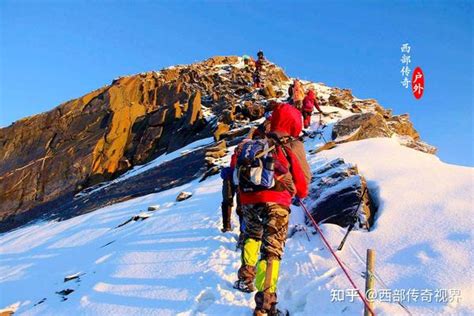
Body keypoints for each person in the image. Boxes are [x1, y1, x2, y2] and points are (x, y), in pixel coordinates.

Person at [234, 103, 311, 316]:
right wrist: (297, 192)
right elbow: (303, 181)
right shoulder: (292, 144)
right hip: (276, 201)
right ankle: (265, 305)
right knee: (271, 251)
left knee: (252, 237)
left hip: (248, 199)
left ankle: (246, 275)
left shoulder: (258, 142)